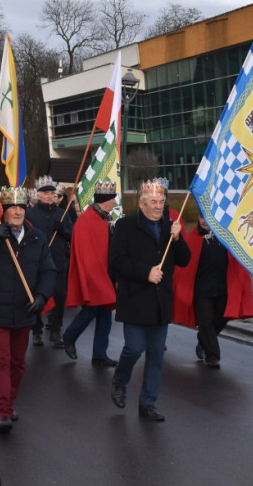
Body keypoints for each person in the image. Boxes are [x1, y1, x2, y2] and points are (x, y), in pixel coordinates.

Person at [0, 186, 55, 434]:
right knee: (0, 361)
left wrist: (42, 296)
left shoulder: (37, 238)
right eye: (12, 207)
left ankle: (10, 400)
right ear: (3, 211)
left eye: (21, 207)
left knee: (17, 364)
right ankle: (2, 411)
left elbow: (49, 270)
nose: (17, 211)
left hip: (24, 311)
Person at [110, 179, 190, 422]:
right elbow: (117, 261)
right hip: (135, 298)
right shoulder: (124, 226)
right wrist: (145, 273)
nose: (158, 206)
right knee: (134, 348)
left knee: (156, 355)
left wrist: (178, 239)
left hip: (160, 302)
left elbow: (185, 260)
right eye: (153, 202)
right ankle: (119, 381)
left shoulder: (170, 226)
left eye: (161, 201)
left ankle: (148, 403)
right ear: (142, 203)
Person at [173, 213, 253, 369]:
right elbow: (185, 265)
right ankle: (213, 356)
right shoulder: (194, 238)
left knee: (221, 319)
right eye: (201, 217)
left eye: (207, 217)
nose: (204, 221)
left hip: (223, 289)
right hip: (202, 290)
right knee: (206, 322)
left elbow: (238, 260)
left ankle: (203, 340)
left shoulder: (226, 237)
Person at [62, 179, 118, 366]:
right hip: (94, 275)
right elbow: (84, 252)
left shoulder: (105, 218)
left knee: (105, 314)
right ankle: (69, 337)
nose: (115, 203)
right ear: (105, 200)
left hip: (106, 274)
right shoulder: (87, 221)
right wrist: (93, 275)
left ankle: (99, 354)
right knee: (90, 311)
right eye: (113, 199)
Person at [25, 175, 73, 347]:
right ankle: (36, 330)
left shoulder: (62, 214)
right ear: (38, 195)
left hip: (58, 261)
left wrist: (63, 231)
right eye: (46, 193)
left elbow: (72, 235)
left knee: (59, 297)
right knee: (37, 296)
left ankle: (55, 330)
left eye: (52, 193)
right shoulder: (29, 214)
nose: (50, 195)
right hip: (37, 263)